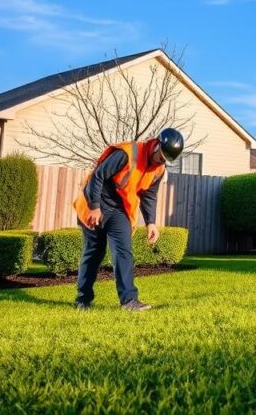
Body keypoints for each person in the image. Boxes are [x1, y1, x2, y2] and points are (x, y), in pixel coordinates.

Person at [72, 128, 184, 311]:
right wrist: (94, 208)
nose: (161, 162)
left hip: (119, 210)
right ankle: (82, 300)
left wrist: (151, 222)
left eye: (166, 161)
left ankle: (129, 301)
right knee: (93, 252)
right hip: (95, 200)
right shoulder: (127, 153)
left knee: (123, 251)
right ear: (156, 144)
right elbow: (98, 176)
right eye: (161, 157)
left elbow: (149, 195)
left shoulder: (158, 170)